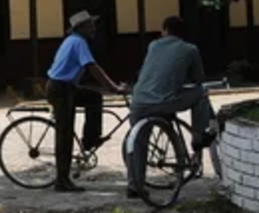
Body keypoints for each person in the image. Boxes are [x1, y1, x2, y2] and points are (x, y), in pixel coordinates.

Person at [125, 16, 216, 195]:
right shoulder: (190, 49)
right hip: (165, 102)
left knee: (138, 143)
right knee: (201, 92)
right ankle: (198, 136)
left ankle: (134, 186)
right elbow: (198, 79)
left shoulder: (153, 46)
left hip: (139, 102)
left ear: (164, 30)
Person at [45, 10, 126, 193]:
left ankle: (90, 139)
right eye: (90, 25)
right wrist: (113, 87)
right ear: (80, 27)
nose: (93, 28)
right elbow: (92, 67)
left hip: (64, 86)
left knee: (94, 97)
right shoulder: (78, 42)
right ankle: (62, 180)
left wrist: (109, 87)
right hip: (61, 88)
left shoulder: (72, 40)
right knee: (64, 134)